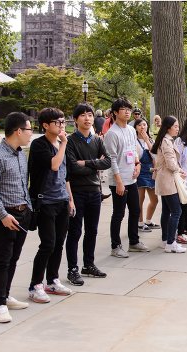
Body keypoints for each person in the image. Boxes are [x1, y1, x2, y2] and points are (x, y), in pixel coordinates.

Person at [0, 112, 33, 324]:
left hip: (22, 214)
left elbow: (23, 185)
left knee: (13, 258)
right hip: (1, 217)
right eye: (29, 129)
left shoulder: (20, 154)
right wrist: (3, 215)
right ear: (18, 131)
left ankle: (5, 295)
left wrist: (28, 210)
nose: (31, 133)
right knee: (1, 261)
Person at [27, 107, 75, 303]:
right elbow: (54, 165)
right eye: (58, 122)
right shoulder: (39, 145)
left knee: (59, 243)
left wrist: (70, 199)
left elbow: (65, 175)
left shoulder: (62, 144)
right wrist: (63, 144)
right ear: (45, 125)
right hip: (45, 201)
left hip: (61, 199)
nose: (62, 125)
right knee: (47, 243)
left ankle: (53, 280)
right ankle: (35, 285)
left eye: (63, 121)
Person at [65, 104, 111, 286]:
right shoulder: (70, 141)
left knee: (92, 230)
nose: (87, 118)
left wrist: (85, 163)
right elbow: (72, 167)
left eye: (90, 115)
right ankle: (72, 269)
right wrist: (95, 164)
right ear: (76, 119)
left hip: (94, 191)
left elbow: (107, 161)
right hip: (77, 192)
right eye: (83, 115)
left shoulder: (97, 140)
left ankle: (88, 264)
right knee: (75, 232)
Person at [104, 98, 149, 258]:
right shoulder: (111, 133)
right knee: (119, 213)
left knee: (135, 210)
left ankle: (134, 242)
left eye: (129, 109)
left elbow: (133, 150)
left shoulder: (130, 130)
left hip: (132, 178)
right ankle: (115, 246)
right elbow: (111, 159)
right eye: (124, 109)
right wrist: (118, 181)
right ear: (115, 112)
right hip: (119, 180)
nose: (128, 112)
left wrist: (137, 164)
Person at [151, 116, 187, 253]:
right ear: (168, 127)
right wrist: (180, 170)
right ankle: (171, 243)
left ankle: (165, 240)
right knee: (176, 211)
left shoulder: (165, 140)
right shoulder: (166, 141)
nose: (178, 128)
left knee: (167, 211)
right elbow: (171, 163)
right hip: (168, 180)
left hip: (164, 179)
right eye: (175, 126)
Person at [134, 118, 160, 232]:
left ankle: (148, 221)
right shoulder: (134, 141)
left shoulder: (151, 140)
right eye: (139, 125)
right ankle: (140, 223)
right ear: (135, 128)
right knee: (140, 199)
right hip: (140, 171)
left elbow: (155, 154)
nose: (142, 127)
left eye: (144, 125)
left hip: (150, 172)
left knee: (155, 199)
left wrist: (147, 140)